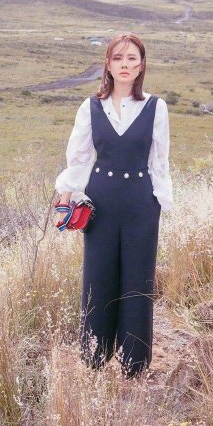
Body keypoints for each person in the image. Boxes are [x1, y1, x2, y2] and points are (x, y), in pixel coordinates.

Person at [54, 33, 174, 377]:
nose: (125, 65)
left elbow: (160, 161)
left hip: (141, 202)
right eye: (118, 58)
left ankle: (134, 363)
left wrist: (159, 204)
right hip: (101, 201)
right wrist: (67, 192)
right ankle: (94, 356)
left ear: (141, 65)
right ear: (108, 64)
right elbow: (78, 158)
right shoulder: (90, 106)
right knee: (98, 277)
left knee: (138, 280)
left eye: (132, 59)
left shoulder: (156, 107)